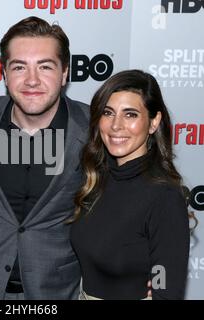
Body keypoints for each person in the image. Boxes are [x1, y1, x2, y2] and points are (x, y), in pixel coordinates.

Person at [0, 16, 89, 299]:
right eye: (19, 67)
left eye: (45, 66)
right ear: (4, 73)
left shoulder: (93, 129)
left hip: (56, 291)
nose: (32, 80)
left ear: (65, 72)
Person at [70, 69, 190, 300]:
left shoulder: (163, 196)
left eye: (130, 114)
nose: (116, 126)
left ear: (154, 122)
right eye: (108, 112)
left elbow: (166, 289)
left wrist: (158, 287)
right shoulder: (96, 178)